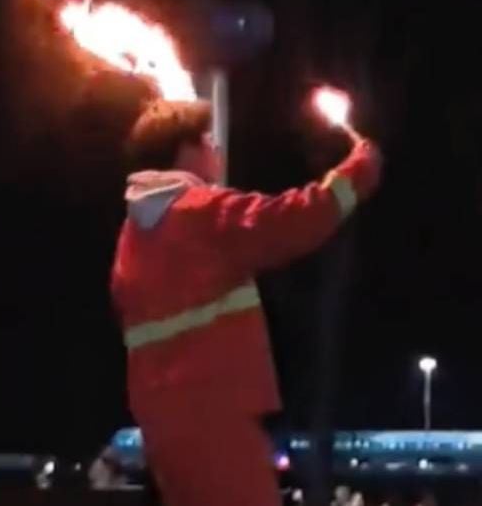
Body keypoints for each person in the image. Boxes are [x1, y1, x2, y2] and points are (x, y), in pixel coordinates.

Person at [110, 99, 382, 506]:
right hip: (217, 420)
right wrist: (358, 171)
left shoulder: (132, 239)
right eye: (204, 139)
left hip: (164, 429)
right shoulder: (198, 213)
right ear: (182, 151)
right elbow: (289, 221)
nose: (213, 146)